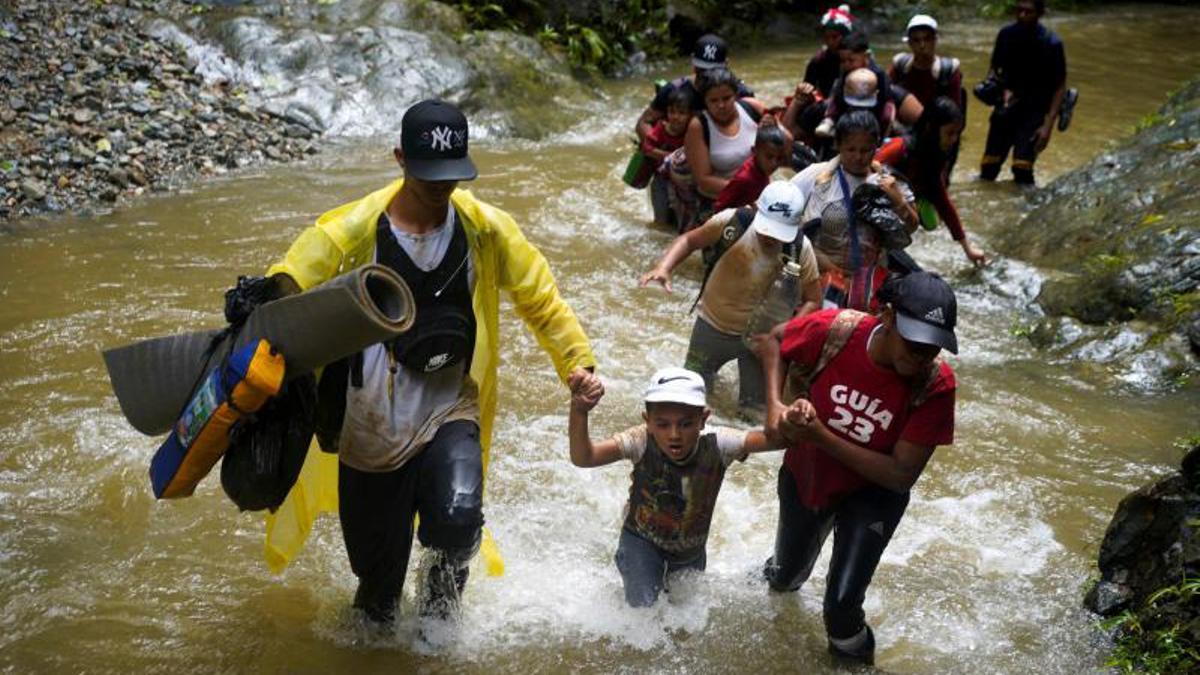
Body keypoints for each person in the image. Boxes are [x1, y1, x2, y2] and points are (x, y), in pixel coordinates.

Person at [263, 99, 597, 625]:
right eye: (429, 175)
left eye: (451, 175)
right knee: (377, 594)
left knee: (459, 521)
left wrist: (576, 362)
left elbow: (540, 298)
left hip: (450, 406)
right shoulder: (354, 231)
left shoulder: (485, 229)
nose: (442, 187)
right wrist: (260, 303)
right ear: (400, 159)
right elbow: (289, 281)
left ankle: (439, 633)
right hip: (370, 421)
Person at [757, 271, 959, 665]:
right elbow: (776, 340)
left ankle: (855, 666)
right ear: (886, 316)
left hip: (873, 495)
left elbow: (900, 475)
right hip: (809, 473)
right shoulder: (835, 331)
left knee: (841, 608)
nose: (922, 358)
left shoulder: (936, 386)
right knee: (785, 578)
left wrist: (822, 436)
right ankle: (775, 570)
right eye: (914, 343)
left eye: (933, 349)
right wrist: (775, 408)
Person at [566, 367, 783, 607]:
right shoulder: (640, 440)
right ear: (647, 422)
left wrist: (791, 416)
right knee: (644, 612)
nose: (674, 434)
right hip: (641, 541)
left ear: (703, 420)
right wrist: (579, 410)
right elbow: (584, 458)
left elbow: (777, 440)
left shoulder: (719, 443)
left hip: (691, 550)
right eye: (662, 424)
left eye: (686, 424)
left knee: (686, 620)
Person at [640, 181, 822, 418]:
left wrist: (785, 330)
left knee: (753, 414)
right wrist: (663, 268)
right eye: (767, 229)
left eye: (779, 232)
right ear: (756, 209)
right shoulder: (732, 223)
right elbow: (689, 241)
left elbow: (813, 299)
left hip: (759, 341)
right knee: (690, 398)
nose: (770, 237)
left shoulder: (800, 249)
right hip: (711, 326)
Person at [792, 111, 918, 311]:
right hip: (818, 274)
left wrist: (898, 201)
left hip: (866, 280)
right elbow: (783, 212)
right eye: (851, 149)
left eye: (865, 150)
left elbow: (911, 228)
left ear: (877, 145)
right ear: (838, 145)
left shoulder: (889, 182)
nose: (858, 157)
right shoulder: (816, 176)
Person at [876, 97, 987, 266]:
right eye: (950, 133)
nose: (954, 139)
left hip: (904, 206)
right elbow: (869, 166)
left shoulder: (935, 157)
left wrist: (968, 249)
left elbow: (943, 201)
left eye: (957, 133)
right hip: (879, 207)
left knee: (930, 222)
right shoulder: (899, 148)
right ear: (931, 128)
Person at [979, 0, 1067, 185]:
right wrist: (993, 88)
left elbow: (1059, 86)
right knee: (989, 168)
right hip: (1006, 106)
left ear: (1040, 13)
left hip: (1035, 110)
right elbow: (995, 68)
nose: (1022, 16)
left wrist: (1047, 126)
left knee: (1022, 169)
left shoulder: (1052, 43)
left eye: (1029, 12)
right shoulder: (1006, 35)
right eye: (1019, 11)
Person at [681, 67, 767, 228]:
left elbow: (782, 146)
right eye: (713, 101)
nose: (721, 105)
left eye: (727, 98)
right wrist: (747, 193)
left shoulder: (753, 108)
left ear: (736, 94)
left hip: (759, 194)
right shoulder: (698, 126)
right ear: (705, 101)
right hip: (718, 200)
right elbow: (704, 180)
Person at [635, 34, 755, 145]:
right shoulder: (674, 90)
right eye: (702, 69)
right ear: (693, 62)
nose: (706, 75)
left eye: (713, 70)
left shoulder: (741, 93)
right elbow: (644, 123)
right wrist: (658, 149)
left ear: (726, 65)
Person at [712, 119, 791, 212]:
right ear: (754, 151)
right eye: (769, 157)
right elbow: (719, 207)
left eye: (779, 158)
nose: (774, 163)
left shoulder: (762, 169)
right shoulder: (745, 179)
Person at [643, 88, 694, 227]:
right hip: (661, 181)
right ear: (666, 112)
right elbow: (647, 148)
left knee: (684, 220)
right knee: (660, 221)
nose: (676, 117)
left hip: (684, 184)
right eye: (672, 112)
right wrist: (671, 157)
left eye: (681, 113)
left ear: (690, 115)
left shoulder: (693, 131)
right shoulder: (661, 128)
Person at [804, 4, 856, 98]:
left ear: (845, 36)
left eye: (835, 37)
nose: (830, 42)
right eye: (826, 37)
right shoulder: (818, 60)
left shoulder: (857, 57)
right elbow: (808, 88)